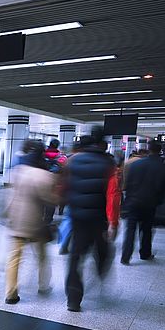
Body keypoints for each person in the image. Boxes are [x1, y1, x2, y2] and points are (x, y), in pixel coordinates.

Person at [63, 127, 115, 312]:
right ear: (104, 142)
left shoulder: (73, 161)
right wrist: (113, 223)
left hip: (78, 218)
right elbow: (113, 196)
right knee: (103, 251)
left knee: (76, 256)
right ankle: (100, 273)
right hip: (99, 219)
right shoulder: (109, 164)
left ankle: (73, 299)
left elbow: (64, 187)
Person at [3, 140, 58, 304]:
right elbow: (51, 200)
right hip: (36, 223)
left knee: (14, 258)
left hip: (17, 222)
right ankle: (43, 285)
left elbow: (9, 195)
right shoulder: (44, 175)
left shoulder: (17, 171)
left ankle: (11, 294)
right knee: (42, 256)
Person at [120, 139, 165, 265]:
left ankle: (125, 256)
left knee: (130, 230)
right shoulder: (163, 167)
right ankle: (145, 254)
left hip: (133, 201)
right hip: (150, 203)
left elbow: (128, 183)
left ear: (148, 149)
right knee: (146, 229)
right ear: (160, 150)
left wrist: (128, 199)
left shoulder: (136, 164)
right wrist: (159, 201)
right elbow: (163, 187)